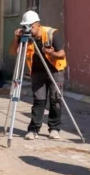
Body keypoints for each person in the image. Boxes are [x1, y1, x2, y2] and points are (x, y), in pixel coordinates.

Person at [11, 10, 67, 140]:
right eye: (25, 26)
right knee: (39, 100)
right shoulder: (25, 36)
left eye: (30, 26)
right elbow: (14, 52)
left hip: (55, 70)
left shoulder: (50, 34)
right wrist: (16, 38)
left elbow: (62, 54)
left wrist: (51, 53)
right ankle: (34, 129)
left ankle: (54, 128)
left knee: (55, 100)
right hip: (37, 72)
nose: (28, 29)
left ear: (37, 25)